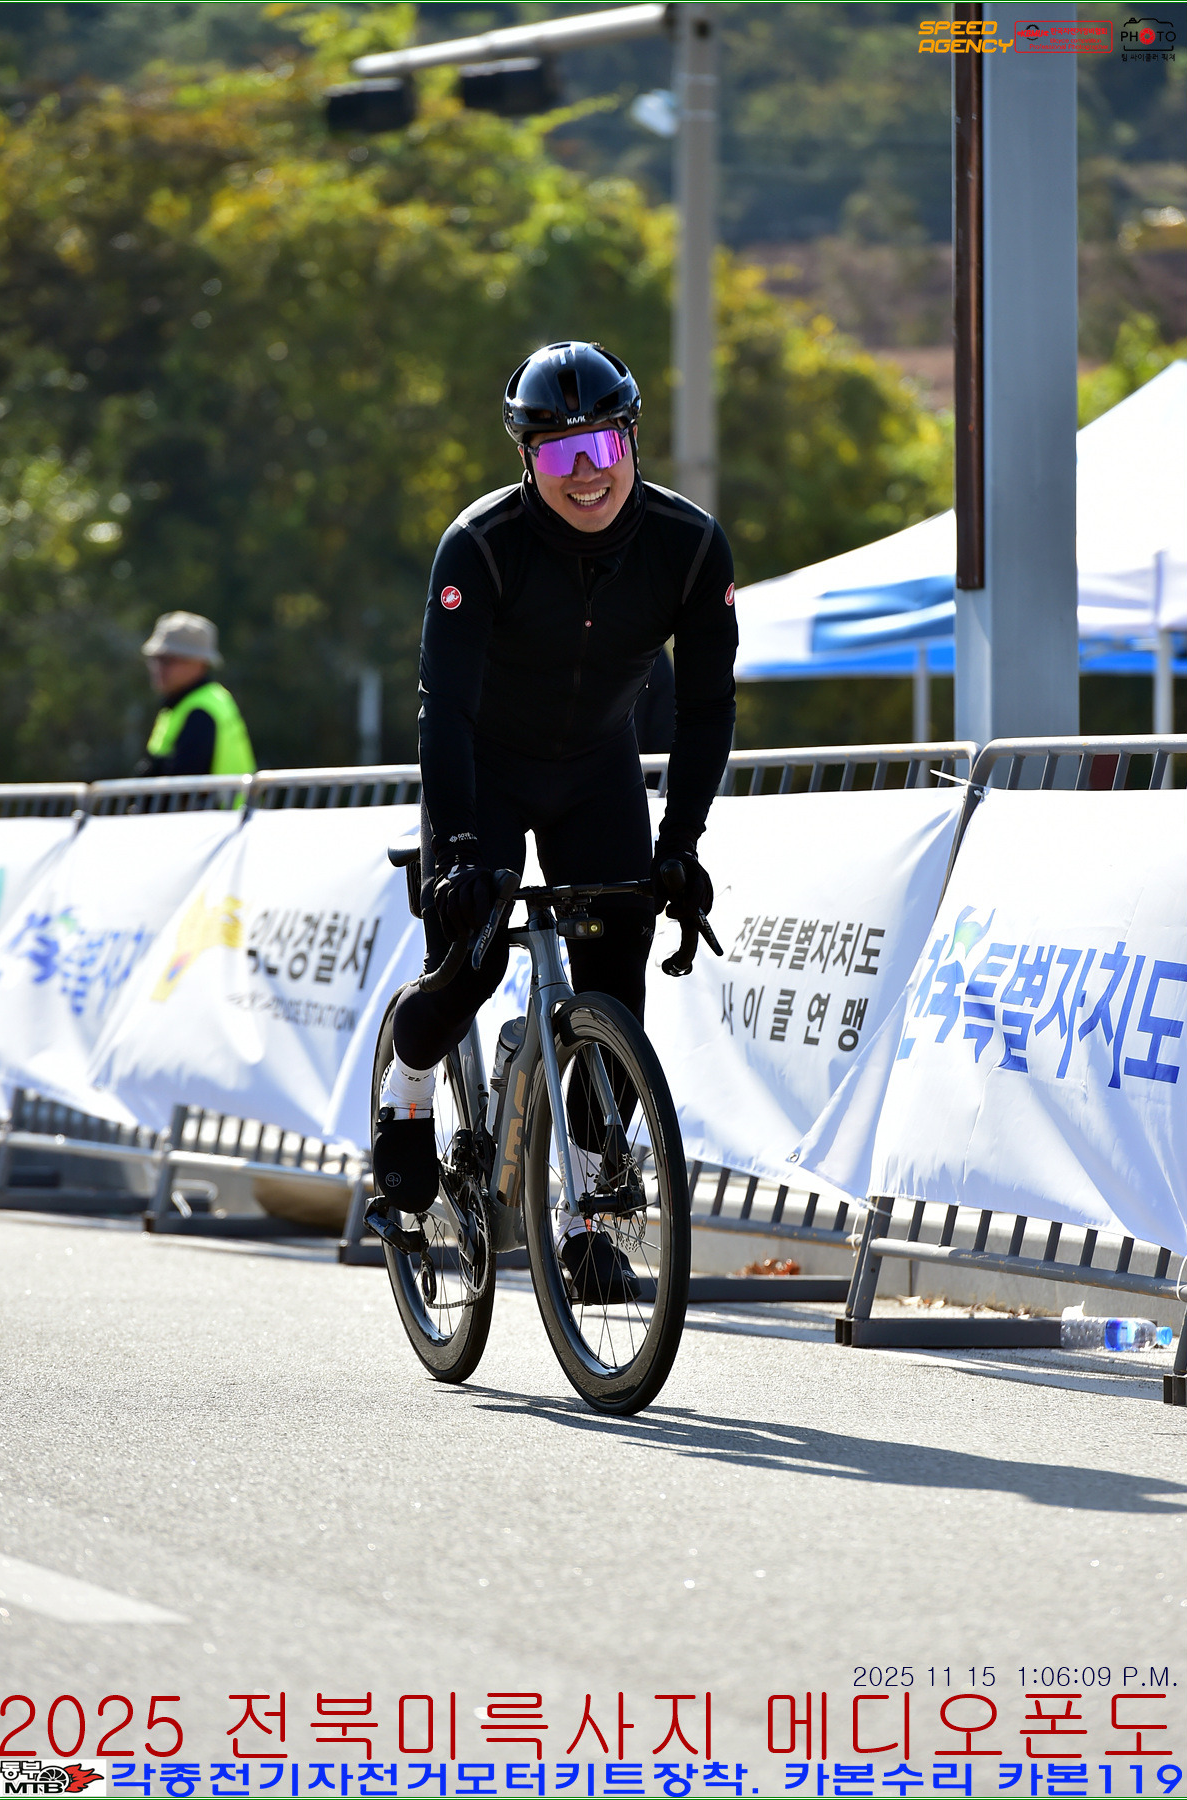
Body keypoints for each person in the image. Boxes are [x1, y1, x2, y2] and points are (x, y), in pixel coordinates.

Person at [368, 341, 738, 1301]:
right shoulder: (481, 546)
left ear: (632, 441)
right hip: (485, 766)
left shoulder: (690, 546)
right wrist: (457, 851)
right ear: (526, 459)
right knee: (474, 959)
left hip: (595, 770)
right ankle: (409, 1088)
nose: (586, 474)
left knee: (618, 977)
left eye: (601, 448)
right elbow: (444, 710)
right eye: (559, 454)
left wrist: (682, 843)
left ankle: (582, 1219)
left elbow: (708, 709)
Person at [136, 611, 256, 779]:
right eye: (155, 658)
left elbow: (185, 785)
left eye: (169, 660)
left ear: (199, 663)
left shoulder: (201, 711)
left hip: (218, 799)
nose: (158, 668)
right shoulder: (181, 705)